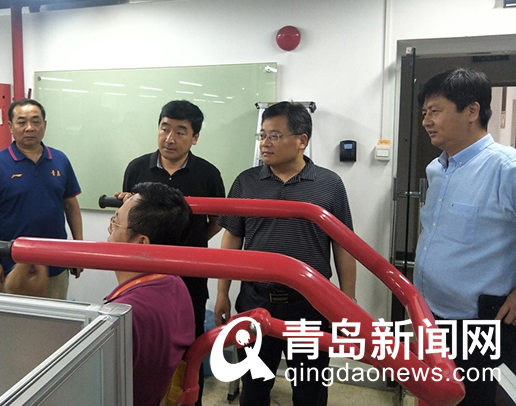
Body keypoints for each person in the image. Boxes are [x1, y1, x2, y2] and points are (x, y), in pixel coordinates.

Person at [214, 101, 356, 406]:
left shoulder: (329, 184)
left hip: (310, 305)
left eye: (275, 136)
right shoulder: (246, 181)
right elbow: (232, 238)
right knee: (254, 388)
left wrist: (347, 303)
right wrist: (222, 293)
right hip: (255, 301)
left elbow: (343, 246)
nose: (265, 143)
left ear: (301, 140)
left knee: (309, 390)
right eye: (262, 135)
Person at [414, 68, 516, 406]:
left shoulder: (507, 168)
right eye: (424, 112)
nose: (426, 121)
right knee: (434, 395)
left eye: (435, 111)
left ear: (472, 111)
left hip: (480, 326)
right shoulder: (436, 169)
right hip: (430, 316)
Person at [115, 100, 225, 405]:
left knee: (190, 354)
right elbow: (128, 218)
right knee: (144, 352)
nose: (170, 138)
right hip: (143, 277)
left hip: (190, 277)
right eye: (165, 129)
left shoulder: (208, 174)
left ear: (195, 137)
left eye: (180, 131)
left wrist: (191, 242)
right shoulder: (137, 168)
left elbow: (218, 220)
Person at [105, 182, 195, 406]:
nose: (109, 231)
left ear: (141, 243)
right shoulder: (175, 284)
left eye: (115, 222)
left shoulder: (124, 315)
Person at [0, 98, 83, 299]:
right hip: (13, 265)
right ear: (10, 126)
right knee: (16, 317)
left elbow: (71, 207)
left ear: (44, 125)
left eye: (36, 121)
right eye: (22, 122)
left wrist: (79, 249)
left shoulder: (60, 159)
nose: (29, 128)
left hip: (56, 263)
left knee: (55, 315)